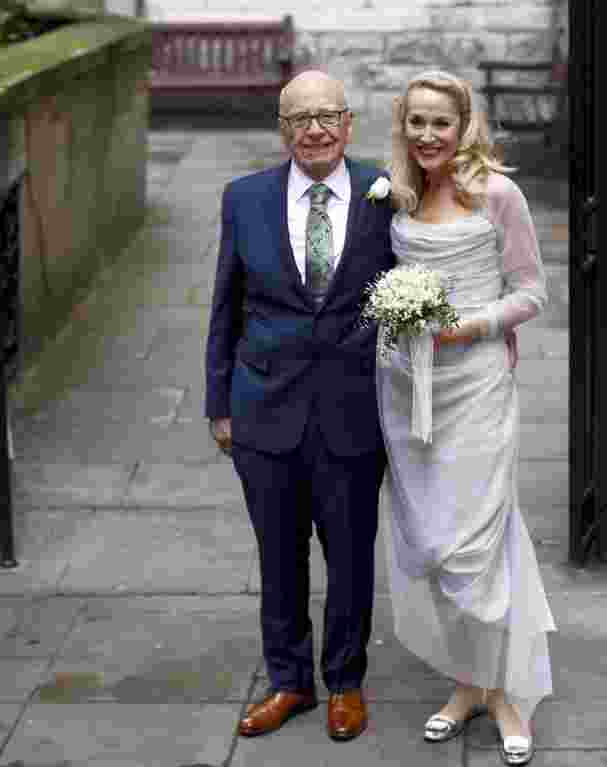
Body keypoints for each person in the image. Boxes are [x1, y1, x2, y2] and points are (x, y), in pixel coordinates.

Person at [205, 71, 397, 741]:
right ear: (282, 130)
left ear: (348, 124)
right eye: (299, 119)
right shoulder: (245, 198)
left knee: (350, 554)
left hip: (352, 409)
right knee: (277, 555)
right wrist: (218, 402)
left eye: (327, 116)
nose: (314, 129)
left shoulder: (385, 193)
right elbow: (224, 306)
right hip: (265, 408)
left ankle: (344, 679)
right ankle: (289, 681)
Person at [376, 70, 557, 766]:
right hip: (405, 391)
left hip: (476, 388)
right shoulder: (399, 193)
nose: (427, 136)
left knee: (477, 541)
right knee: (431, 542)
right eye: (415, 122)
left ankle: (507, 692)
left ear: (464, 125)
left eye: (440, 123)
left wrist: (471, 326)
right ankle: (467, 684)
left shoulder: (498, 194)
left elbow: (533, 291)